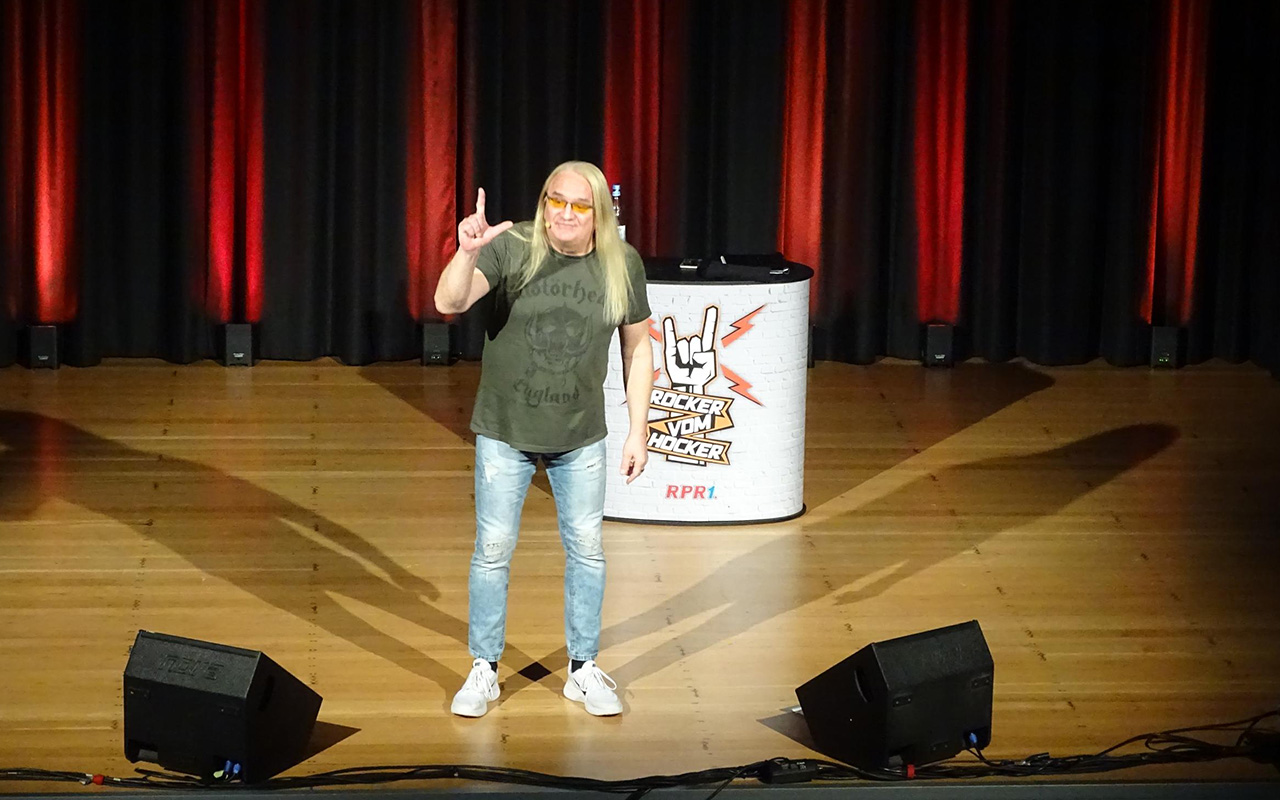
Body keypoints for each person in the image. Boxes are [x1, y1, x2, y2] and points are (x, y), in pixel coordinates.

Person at [434, 161, 653, 717]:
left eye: (579, 206)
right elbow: (449, 303)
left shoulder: (621, 264)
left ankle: (582, 669)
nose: (565, 215)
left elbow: (638, 349)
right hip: (505, 431)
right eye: (556, 201)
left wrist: (640, 429)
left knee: (587, 552)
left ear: (600, 212)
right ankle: (484, 667)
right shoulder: (513, 249)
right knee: (492, 551)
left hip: (579, 436)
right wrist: (466, 251)